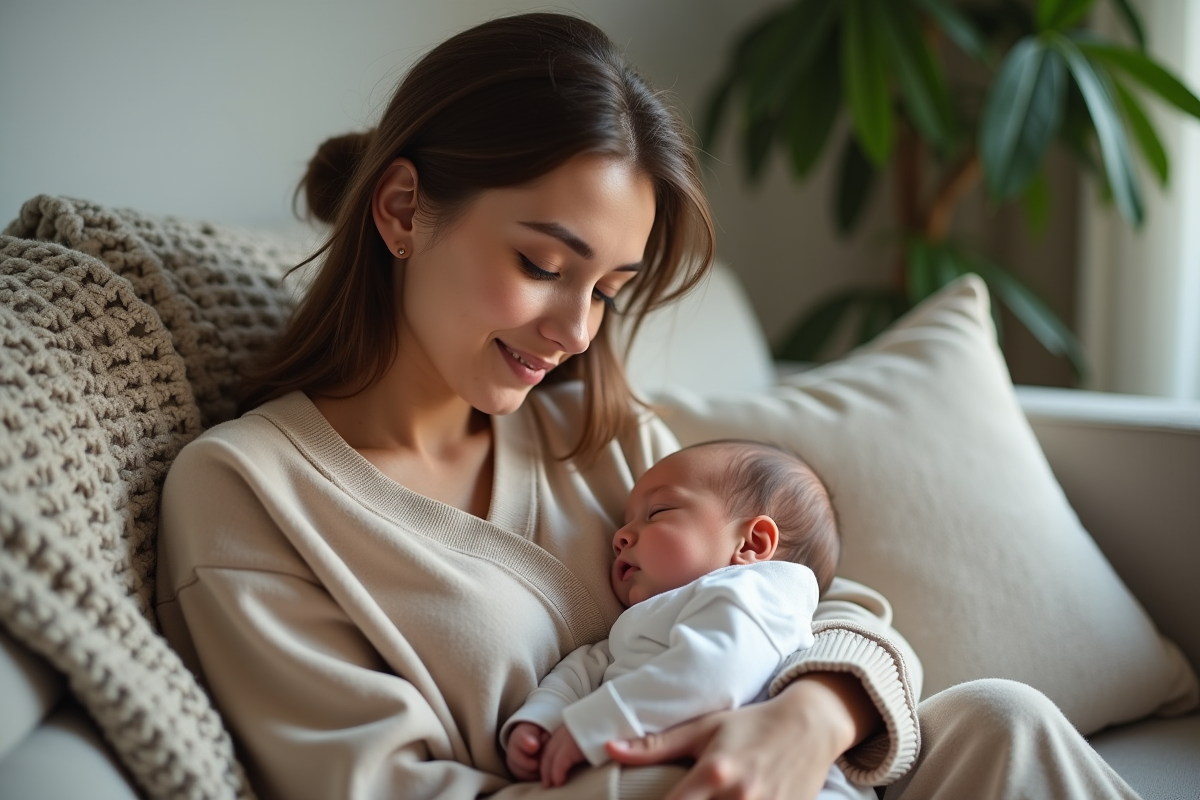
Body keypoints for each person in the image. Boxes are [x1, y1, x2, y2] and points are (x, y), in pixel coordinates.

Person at [155, 11, 1141, 800]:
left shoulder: (603, 436)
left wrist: (812, 717)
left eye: (608, 289)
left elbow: (822, 600)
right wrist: (683, 759)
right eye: (543, 264)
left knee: (1003, 721)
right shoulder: (250, 493)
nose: (577, 331)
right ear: (404, 209)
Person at [501, 440, 870, 800]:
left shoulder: (756, 594)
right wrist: (542, 720)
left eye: (658, 512)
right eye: (626, 522)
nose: (619, 536)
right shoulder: (634, 628)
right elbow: (583, 669)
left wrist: (598, 723)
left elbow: (717, 670)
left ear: (752, 544)